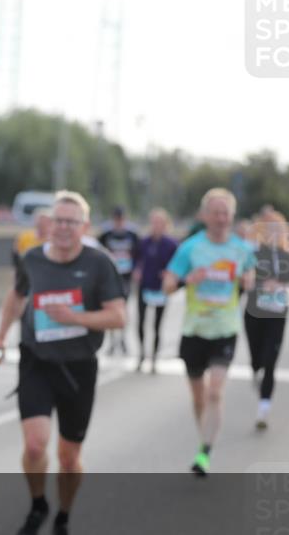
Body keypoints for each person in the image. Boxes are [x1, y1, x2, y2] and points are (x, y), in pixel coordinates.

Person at [0, 190, 126, 535]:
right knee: (35, 445)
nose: (63, 227)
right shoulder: (32, 258)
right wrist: (1, 336)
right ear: (49, 224)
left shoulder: (99, 264)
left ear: (84, 227)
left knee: (68, 457)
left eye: (72, 221)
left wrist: (76, 318)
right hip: (36, 362)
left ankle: (63, 517)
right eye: (58, 220)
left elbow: (118, 316)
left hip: (79, 368)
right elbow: (16, 296)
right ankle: (38, 505)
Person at [163, 188, 255, 476]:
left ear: (231, 216)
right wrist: (188, 279)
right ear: (205, 216)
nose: (220, 218)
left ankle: (204, 451)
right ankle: (203, 437)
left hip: (225, 329)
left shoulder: (242, 249)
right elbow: (167, 285)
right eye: (215, 212)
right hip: (194, 329)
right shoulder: (190, 248)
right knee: (199, 397)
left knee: (215, 392)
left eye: (225, 212)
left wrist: (244, 278)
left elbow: (250, 281)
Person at [244, 211, 289, 429]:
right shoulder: (252, 253)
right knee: (257, 359)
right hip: (254, 313)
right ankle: (255, 370)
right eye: (269, 228)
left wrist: (282, 287)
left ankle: (263, 410)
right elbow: (245, 282)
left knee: (270, 362)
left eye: (277, 228)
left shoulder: (287, 256)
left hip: (277, 315)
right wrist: (259, 284)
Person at [132, 208, 178, 373]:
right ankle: (141, 355)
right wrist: (137, 270)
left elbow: (177, 264)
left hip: (161, 289)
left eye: (160, 222)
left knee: (157, 325)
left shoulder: (171, 244)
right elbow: (136, 259)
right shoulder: (144, 242)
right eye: (154, 222)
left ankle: (154, 358)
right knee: (140, 323)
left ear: (165, 224)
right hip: (145, 286)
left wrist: (170, 273)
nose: (156, 226)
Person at [99, 206, 140, 355]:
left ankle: (122, 340)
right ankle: (111, 342)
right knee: (110, 308)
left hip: (126, 277)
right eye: (116, 219)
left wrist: (137, 269)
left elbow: (138, 254)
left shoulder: (132, 235)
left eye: (121, 219)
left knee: (124, 309)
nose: (119, 222)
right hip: (110, 276)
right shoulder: (106, 235)